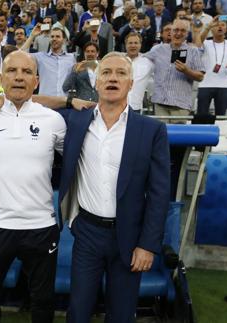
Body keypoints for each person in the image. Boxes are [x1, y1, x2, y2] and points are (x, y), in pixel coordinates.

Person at [58, 52, 170, 322]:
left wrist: (148, 245)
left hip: (129, 238)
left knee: (121, 314)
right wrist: (68, 100)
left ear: (131, 84)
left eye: (121, 73)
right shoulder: (76, 121)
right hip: (86, 233)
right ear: (96, 82)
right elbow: (30, 102)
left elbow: (159, 193)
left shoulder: (151, 130)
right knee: (78, 310)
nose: (113, 78)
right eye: (106, 72)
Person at [0, 50, 66, 323]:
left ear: (36, 80)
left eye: (26, 72)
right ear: (1, 79)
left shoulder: (54, 121)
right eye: (12, 71)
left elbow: (78, 158)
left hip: (40, 226)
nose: (19, 77)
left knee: (43, 300)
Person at [145, 18, 204, 123]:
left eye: (183, 31)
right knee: (162, 137)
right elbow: (141, 61)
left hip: (180, 105)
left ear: (187, 34)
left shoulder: (193, 51)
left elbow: (200, 76)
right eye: (176, 30)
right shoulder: (158, 49)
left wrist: (187, 71)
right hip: (160, 103)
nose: (178, 33)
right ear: (170, 32)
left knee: (178, 138)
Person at [195, 19, 227, 116]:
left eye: (223, 25)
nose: (220, 27)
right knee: (201, 114)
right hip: (205, 84)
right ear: (212, 29)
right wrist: (207, 27)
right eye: (217, 25)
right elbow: (198, 41)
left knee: (220, 115)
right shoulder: (206, 42)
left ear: (226, 29)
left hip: (223, 84)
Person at [24, 26, 75, 96]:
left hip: (64, 102)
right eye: (52, 36)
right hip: (45, 103)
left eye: (57, 36)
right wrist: (32, 36)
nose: (54, 39)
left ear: (64, 40)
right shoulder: (41, 57)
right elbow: (21, 55)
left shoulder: (71, 58)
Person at [125, 32, 154, 113]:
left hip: (136, 107)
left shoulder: (148, 62)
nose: (133, 46)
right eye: (130, 43)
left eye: (136, 43)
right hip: (118, 106)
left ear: (140, 45)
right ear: (125, 45)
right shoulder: (119, 61)